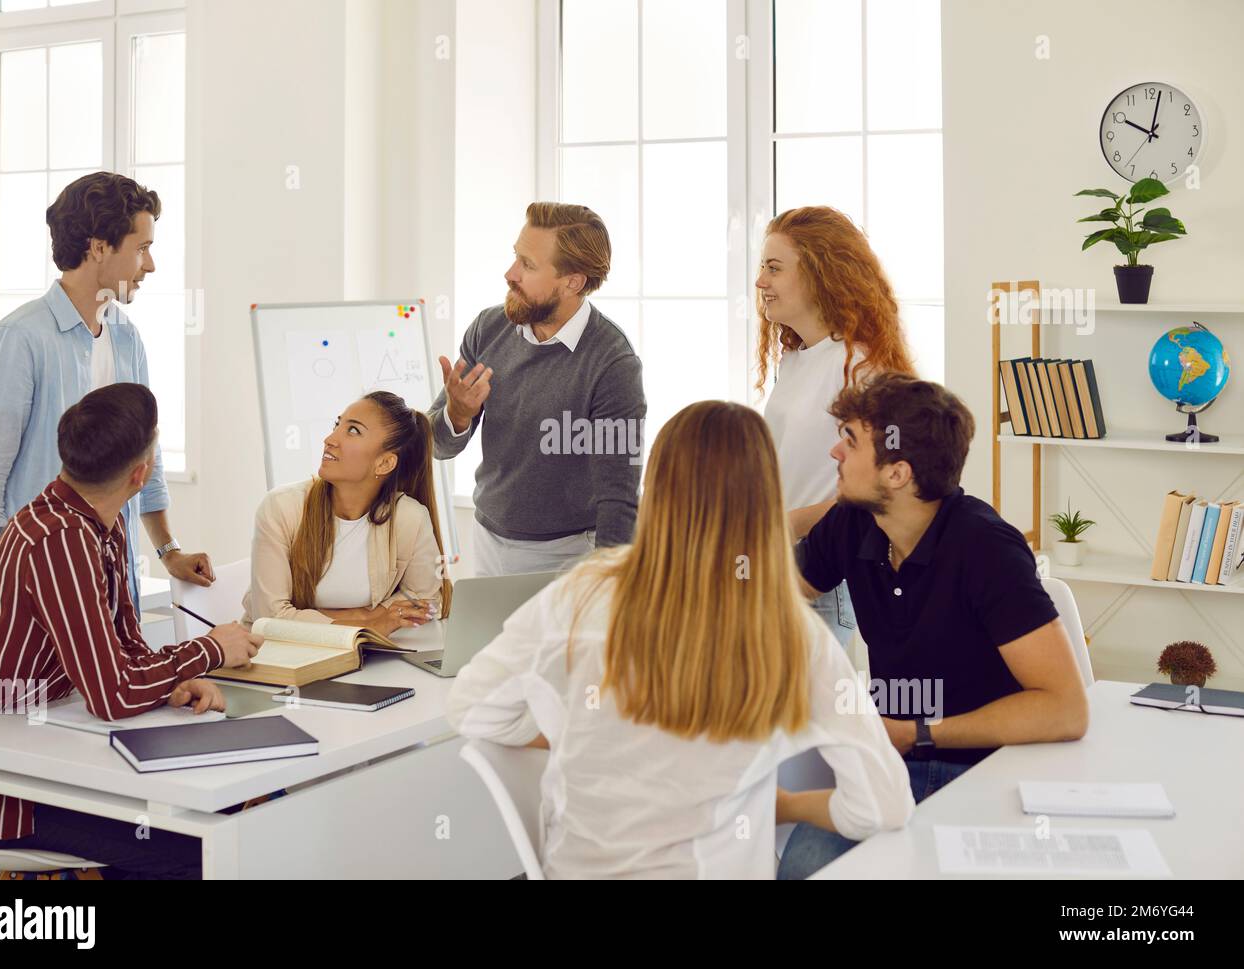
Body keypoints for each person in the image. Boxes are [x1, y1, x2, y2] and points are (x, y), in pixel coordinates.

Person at [446, 400, 913, 879]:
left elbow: (471, 705)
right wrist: (785, 806)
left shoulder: (581, 592)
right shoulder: (792, 635)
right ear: (766, 501)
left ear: (655, 488)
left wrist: (573, 736)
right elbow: (883, 806)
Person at [777, 373, 1089, 879]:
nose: (835, 451)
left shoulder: (985, 547)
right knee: (805, 870)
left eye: (851, 440)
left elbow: (1066, 708)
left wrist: (917, 733)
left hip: (991, 769)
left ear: (897, 474)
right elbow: (779, 591)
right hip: (893, 764)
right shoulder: (855, 519)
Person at [0, 383, 261, 879]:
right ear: (141, 474)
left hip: (40, 751)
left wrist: (172, 680)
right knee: (199, 850)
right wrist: (210, 650)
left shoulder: (90, 521)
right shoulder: (62, 540)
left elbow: (126, 649)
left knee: (227, 820)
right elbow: (111, 694)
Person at [0, 171, 213, 622]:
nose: (150, 266)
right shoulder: (20, 339)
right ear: (99, 247)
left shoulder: (127, 338)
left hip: (97, 583)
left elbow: (148, 458)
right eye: (142, 248)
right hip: (17, 587)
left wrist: (169, 552)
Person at [428, 202, 646, 577]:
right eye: (516, 257)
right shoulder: (488, 328)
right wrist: (457, 415)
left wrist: (610, 587)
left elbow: (619, 495)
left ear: (572, 282)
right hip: (488, 542)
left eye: (527, 265)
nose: (510, 274)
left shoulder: (612, 363)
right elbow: (436, 445)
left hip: (568, 557)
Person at [755, 206, 916, 647]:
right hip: (778, 566)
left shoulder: (862, 368)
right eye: (761, 268)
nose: (760, 282)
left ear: (820, 273)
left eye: (774, 268)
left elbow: (886, 493)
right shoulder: (798, 359)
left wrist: (784, 525)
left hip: (819, 574)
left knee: (808, 715)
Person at [242, 391, 451, 631]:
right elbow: (270, 618)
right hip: (276, 655)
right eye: (337, 425)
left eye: (353, 431)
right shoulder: (281, 507)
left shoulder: (409, 518)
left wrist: (368, 619)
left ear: (384, 463)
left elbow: (426, 600)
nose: (329, 439)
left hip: (361, 658)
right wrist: (368, 623)